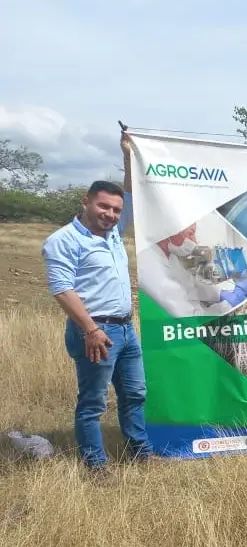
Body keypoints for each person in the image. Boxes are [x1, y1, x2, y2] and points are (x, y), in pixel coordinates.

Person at [42, 173, 153, 470]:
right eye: (104, 207)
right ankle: (96, 465)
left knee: (135, 393)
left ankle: (141, 454)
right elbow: (62, 289)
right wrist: (90, 329)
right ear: (86, 203)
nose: (111, 214)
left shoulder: (112, 232)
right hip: (94, 330)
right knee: (94, 402)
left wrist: (128, 152)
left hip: (126, 329)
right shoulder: (63, 240)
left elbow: (130, 193)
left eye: (116, 210)